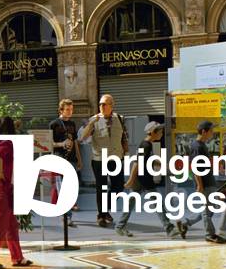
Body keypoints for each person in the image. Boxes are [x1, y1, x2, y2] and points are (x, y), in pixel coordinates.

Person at [0, 116, 32, 269]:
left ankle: (17, 257)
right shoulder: (7, 143)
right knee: (0, 224)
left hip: (0, 188)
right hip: (2, 188)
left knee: (11, 225)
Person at [116, 121, 177, 238]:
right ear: (153, 132)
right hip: (143, 179)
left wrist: (165, 165)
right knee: (158, 203)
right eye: (160, 130)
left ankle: (120, 226)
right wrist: (131, 180)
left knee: (131, 204)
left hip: (142, 178)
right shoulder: (146, 145)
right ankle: (169, 228)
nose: (162, 132)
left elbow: (150, 160)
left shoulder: (148, 144)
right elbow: (137, 163)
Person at [79, 94, 129, 227]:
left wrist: (126, 152)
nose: (102, 106)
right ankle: (101, 215)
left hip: (116, 157)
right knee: (101, 188)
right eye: (100, 104)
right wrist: (91, 123)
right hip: (99, 159)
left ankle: (104, 210)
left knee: (118, 187)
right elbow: (83, 137)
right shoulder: (93, 120)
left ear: (112, 105)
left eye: (105, 104)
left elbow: (123, 137)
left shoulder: (120, 118)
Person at [179, 120, 226, 244]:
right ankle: (210, 234)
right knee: (207, 211)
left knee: (210, 209)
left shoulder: (202, 145)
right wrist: (200, 185)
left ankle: (186, 223)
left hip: (209, 181)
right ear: (204, 131)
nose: (213, 133)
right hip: (204, 183)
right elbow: (195, 167)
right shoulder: (197, 146)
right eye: (211, 130)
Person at [49, 99, 81, 226]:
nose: (70, 112)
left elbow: (75, 142)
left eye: (71, 109)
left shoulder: (73, 124)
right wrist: (61, 144)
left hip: (71, 159)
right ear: (61, 110)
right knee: (62, 189)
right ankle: (67, 217)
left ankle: (67, 214)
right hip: (59, 159)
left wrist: (79, 158)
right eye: (67, 109)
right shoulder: (54, 124)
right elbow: (49, 144)